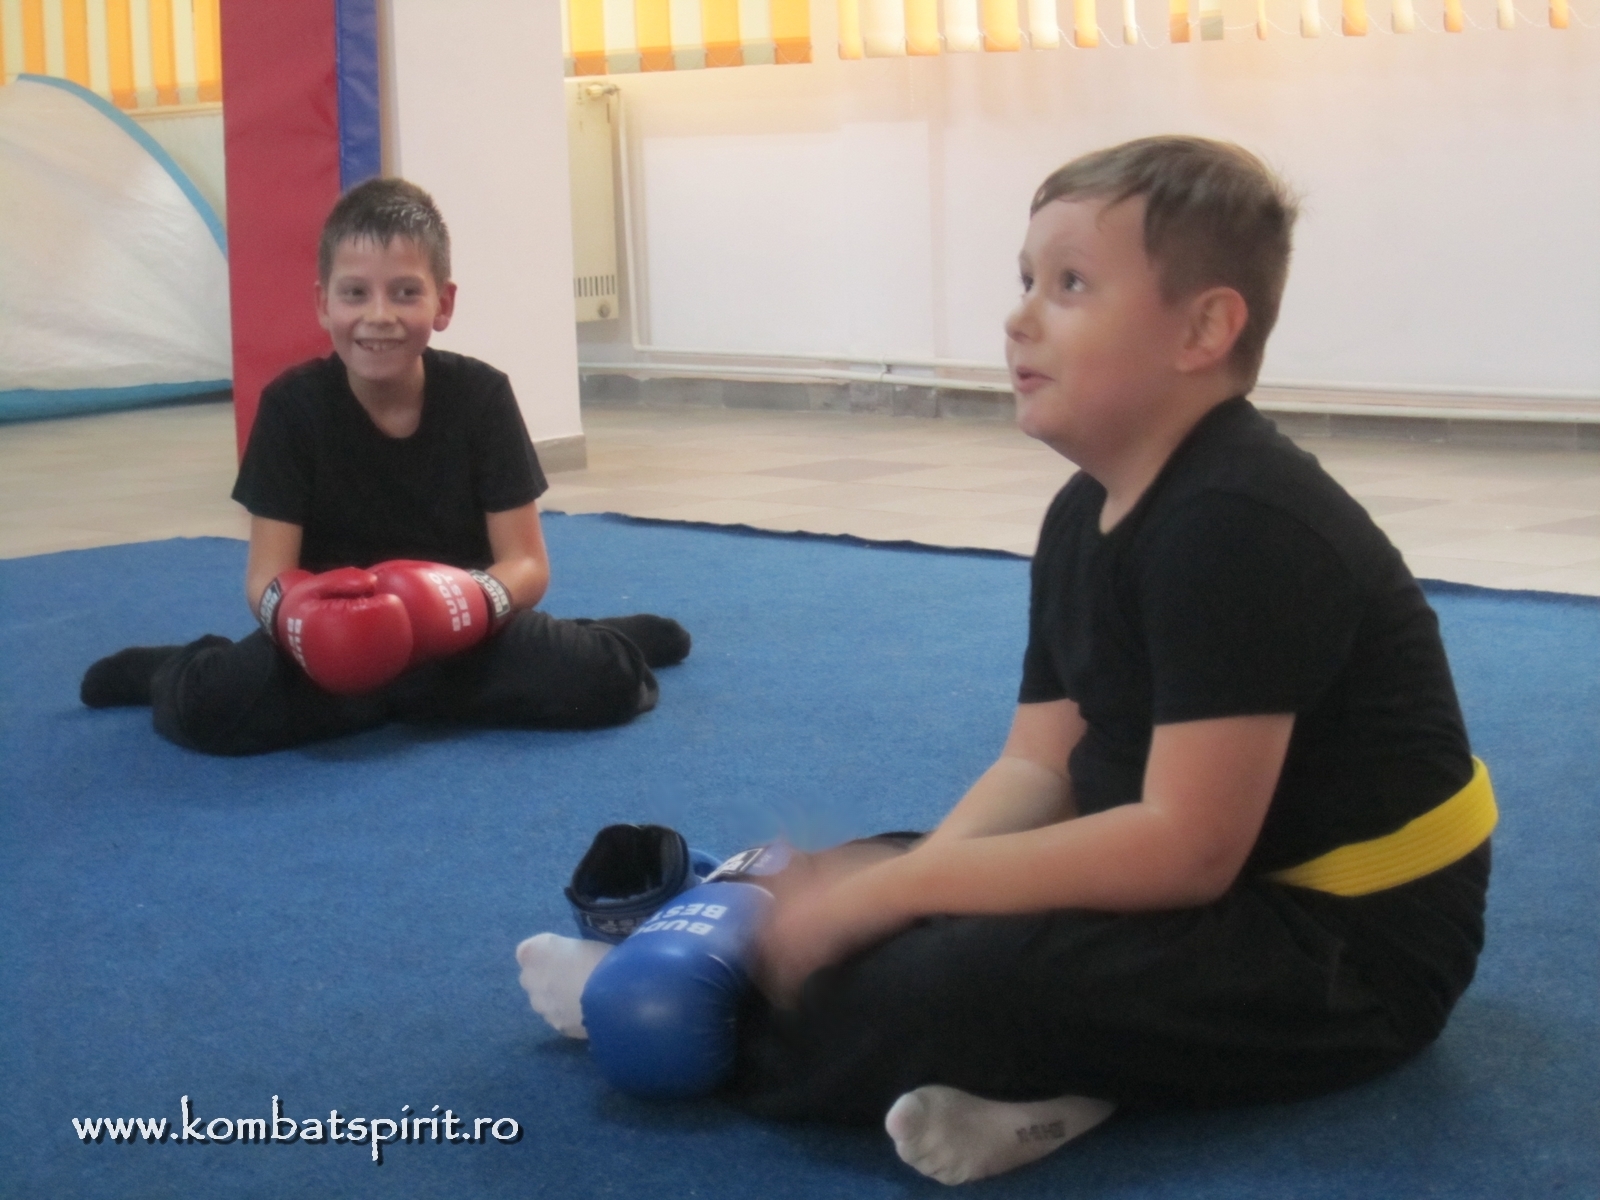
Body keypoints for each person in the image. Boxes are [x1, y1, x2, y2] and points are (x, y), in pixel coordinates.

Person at [516, 137, 1494, 1185]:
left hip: (1342, 947)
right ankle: (1009, 1070)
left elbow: (1186, 851)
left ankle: (698, 1013)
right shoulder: (1083, 514)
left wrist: (911, 897)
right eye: (1025, 280)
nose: (1019, 317)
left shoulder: (1239, 522)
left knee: (943, 982)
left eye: (1070, 285)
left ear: (1204, 329)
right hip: (1184, 880)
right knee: (851, 878)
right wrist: (900, 887)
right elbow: (1037, 765)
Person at [81, 177, 689, 756]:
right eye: (355, 293)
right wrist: (313, 622)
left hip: (462, 635)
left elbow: (526, 564)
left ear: (443, 304)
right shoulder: (292, 406)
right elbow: (265, 578)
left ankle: (569, 643)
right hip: (329, 647)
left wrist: (457, 606)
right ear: (322, 304)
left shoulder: (482, 395)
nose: (379, 315)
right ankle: (173, 667)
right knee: (212, 708)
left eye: (405, 292)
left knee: (604, 682)